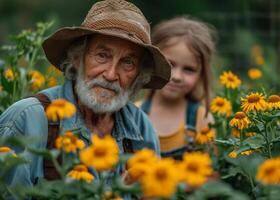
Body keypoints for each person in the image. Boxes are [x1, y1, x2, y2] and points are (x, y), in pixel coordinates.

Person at [0, 0, 171, 188]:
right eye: (102, 55)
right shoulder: (27, 118)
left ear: (139, 74)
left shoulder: (141, 127)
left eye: (128, 62)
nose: (111, 74)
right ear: (77, 58)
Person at [137, 16, 216, 160]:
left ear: (201, 74)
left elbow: (210, 174)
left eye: (189, 69)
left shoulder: (202, 119)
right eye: (170, 64)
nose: (177, 76)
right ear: (152, 62)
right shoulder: (134, 114)